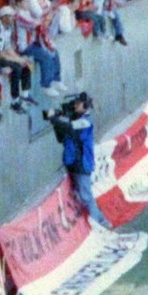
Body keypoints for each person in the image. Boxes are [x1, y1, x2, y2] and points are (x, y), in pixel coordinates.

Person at [49, 93, 106, 227]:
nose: (75, 106)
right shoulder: (76, 118)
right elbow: (61, 136)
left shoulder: (85, 121)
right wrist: (55, 118)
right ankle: (90, 222)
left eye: (78, 104)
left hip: (82, 164)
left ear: (85, 106)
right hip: (72, 161)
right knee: (78, 194)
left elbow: (69, 127)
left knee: (86, 195)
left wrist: (55, 118)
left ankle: (100, 222)